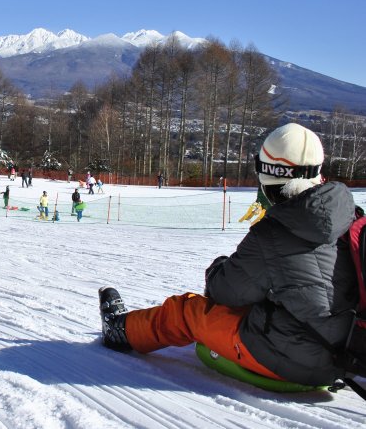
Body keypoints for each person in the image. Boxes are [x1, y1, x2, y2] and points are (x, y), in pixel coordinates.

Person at [98, 123, 358, 388]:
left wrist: (218, 268)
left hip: (292, 360)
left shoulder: (273, 232)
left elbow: (224, 292)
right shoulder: (352, 217)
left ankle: (120, 330)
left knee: (188, 311)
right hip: (346, 354)